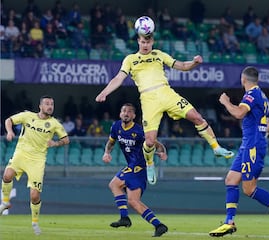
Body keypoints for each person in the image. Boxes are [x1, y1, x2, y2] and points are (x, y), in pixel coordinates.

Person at [95, 31, 234, 185]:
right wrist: (105, 92)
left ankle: (216, 147)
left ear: (152, 42)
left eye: (148, 42)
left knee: (197, 117)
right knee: (149, 141)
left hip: (166, 93)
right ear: (138, 42)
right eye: (142, 42)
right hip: (149, 100)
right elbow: (118, 78)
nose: (145, 45)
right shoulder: (130, 59)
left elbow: (181, 66)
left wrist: (194, 63)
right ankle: (149, 164)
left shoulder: (159, 54)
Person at [209, 66, 269, 237]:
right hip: (249, 145)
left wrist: (225, 102)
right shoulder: (262, 96)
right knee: (231, 180)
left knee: (249, 189)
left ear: (243, 79)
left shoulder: (251, 95)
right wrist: (263, 134)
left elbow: (239, 113)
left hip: (252, 147)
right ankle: (229, 222)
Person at [0, 95, 70, 235]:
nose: (50, 106)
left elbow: (66, 140)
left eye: (52, 104)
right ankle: (6, 202)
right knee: (7, 175)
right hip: (21, 154)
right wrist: (9, 131)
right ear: (40, 106)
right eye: (47, 104)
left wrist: (55, 143)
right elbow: (9, 120)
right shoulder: (27, 116)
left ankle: (35, 222)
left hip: (37, 160)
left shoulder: (55, 124)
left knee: (34, 195)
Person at [102, 103, 168, 237]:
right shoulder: (116, 126)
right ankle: (159, 225)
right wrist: (107, 152)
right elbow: (111, 142)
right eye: (124, 111)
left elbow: (155, 143)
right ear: (120, 114)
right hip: (132, 167)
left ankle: (124, 218)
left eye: (129, 112)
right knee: (133, 202)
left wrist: (162, 152)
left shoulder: (139, 131)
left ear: (134, 116)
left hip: (139, 167)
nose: (126, 113)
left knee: (114, 184)